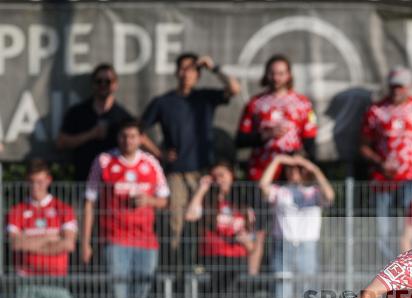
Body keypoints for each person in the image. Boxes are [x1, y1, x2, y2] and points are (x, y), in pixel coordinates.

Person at [141, 52, 240, 257]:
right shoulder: (163, 102)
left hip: (204, 171)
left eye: (192, 69)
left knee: (207, 219)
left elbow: (234, 89)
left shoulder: (204, 98)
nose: (186, 73)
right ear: (177, 72)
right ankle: (177, 262)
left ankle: (202, 261)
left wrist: (214, 67)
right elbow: (137, 132)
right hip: (177, 172)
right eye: (183, 68)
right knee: (176, 220)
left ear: (198, 75)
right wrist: (159, 153)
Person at [82, 120, 170, 298]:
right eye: (124, 136)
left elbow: (164, 199)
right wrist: (85, 242)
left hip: (146, 243)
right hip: (115, 240)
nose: (128, 141)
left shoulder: (150, 163)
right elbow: (90, 202)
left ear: (140, 138)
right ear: (118, 137)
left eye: (132, 136)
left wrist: (149, 200)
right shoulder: (104, 161)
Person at [359, 66, 412, 262]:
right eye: (394, 86)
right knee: (382, 230)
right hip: (383, 181)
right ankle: (389, 269)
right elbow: (363, 146)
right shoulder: (375, 110)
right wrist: (380, 162)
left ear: (409, 86)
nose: (397, 90)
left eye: (401, 86)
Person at [185, 161, 265, 298]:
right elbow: (190, 215)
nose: (218, 179)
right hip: (212, 259)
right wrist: (202, 189)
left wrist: (245, 240)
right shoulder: (207, 202)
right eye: (215, 176)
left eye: (222, 175)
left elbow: (253, 246)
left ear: (231, 176)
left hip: (236, 261)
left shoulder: (243, 206)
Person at [5, 159, 78, 298]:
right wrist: (50, 238)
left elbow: (68, 244)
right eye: (32, 182)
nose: (36, 186)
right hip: (27, 281)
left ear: (48, 180)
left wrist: (30, 241)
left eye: (40, 181)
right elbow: (16, 244)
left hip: (57, 281)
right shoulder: (17, 211)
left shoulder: (63, 209)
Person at [259, 154, 335, 298]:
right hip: (283, 245)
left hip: (307, 246)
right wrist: (277, 160)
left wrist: (314, 168)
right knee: (282, 290)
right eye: (290, 168)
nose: (293, 172)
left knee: (308, 289)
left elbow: (330, 195)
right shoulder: (280, 191)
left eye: (298, 169)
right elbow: (263, 186)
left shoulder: (315, 192)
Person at [236, 54, 317, 181]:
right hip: (261, 172)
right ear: (266, 74)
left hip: (291, 174)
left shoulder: (303, 103)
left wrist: (305, 165)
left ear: (288, 75)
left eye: (280, 74)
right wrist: (266, 134)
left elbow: (310, 141)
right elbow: (240, 140)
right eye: (272, 73)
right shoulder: (255, 103)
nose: (275, 78)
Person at [56, 64, 137, 181]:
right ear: (93, 84)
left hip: (113, 184)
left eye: (108, 81)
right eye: (99, 81)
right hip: (84, 180)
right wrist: (91, 134)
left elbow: (140, 138)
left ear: (115, 85)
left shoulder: (123, 116)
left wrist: (159, 154)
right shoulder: (77, 112)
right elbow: (60, 143)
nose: (103, 85)